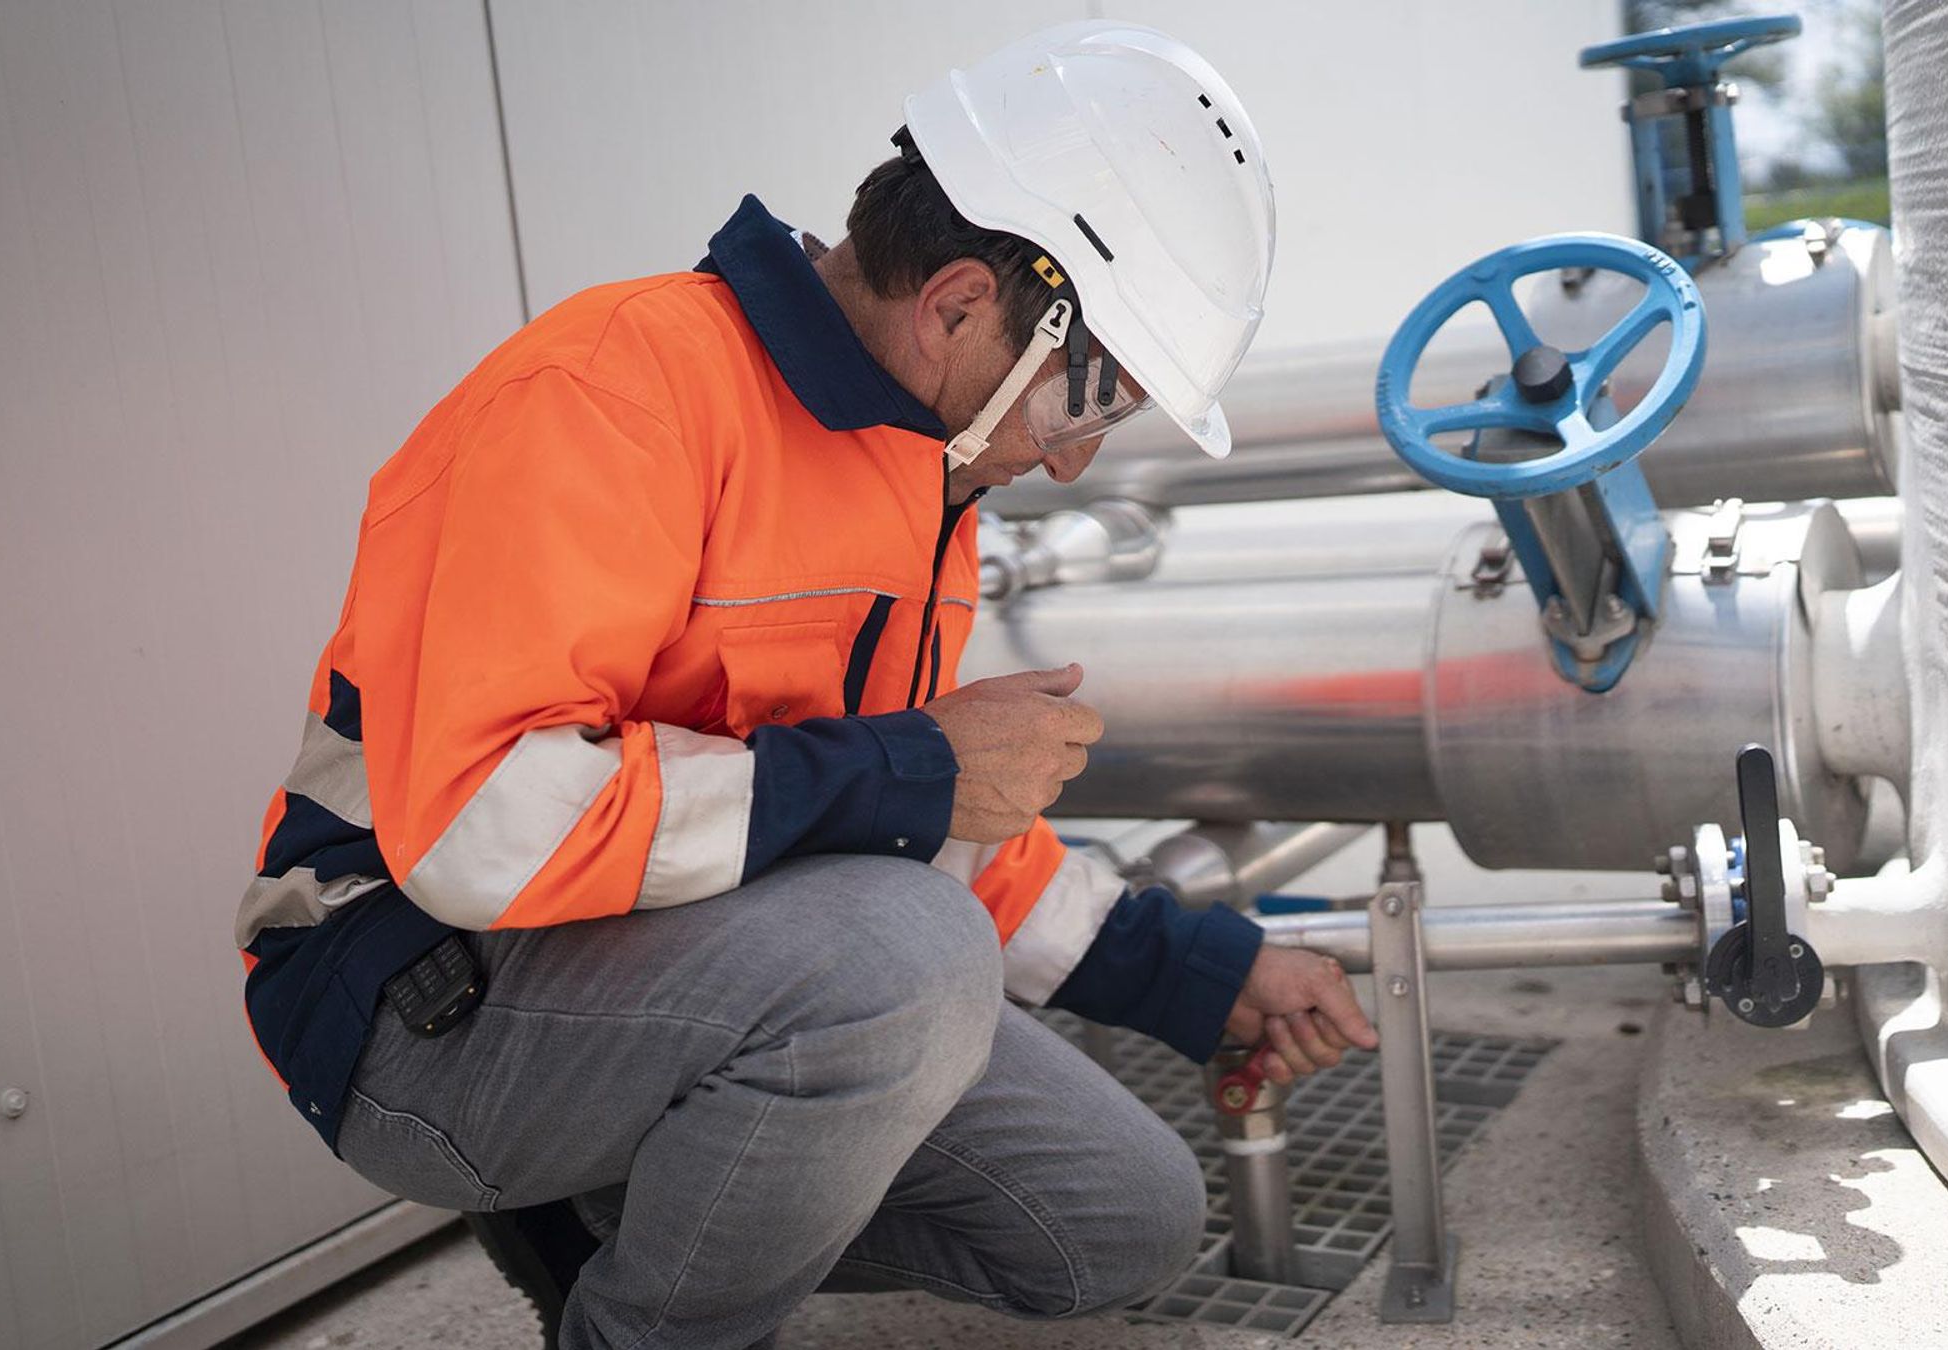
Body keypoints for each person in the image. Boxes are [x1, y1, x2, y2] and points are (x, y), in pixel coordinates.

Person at [232, 21, 1375, 1350]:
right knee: (905, 957)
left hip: (687, 972)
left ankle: (617, 1211)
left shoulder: (922, 478)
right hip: (413, 990)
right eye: (1088, 402)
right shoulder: (611, 391)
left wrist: (1208, 973)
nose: (1071, 463)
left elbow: (893, 828)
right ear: (957, 306)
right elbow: (492, 823)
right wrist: (918, 764)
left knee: (1119, 1214)